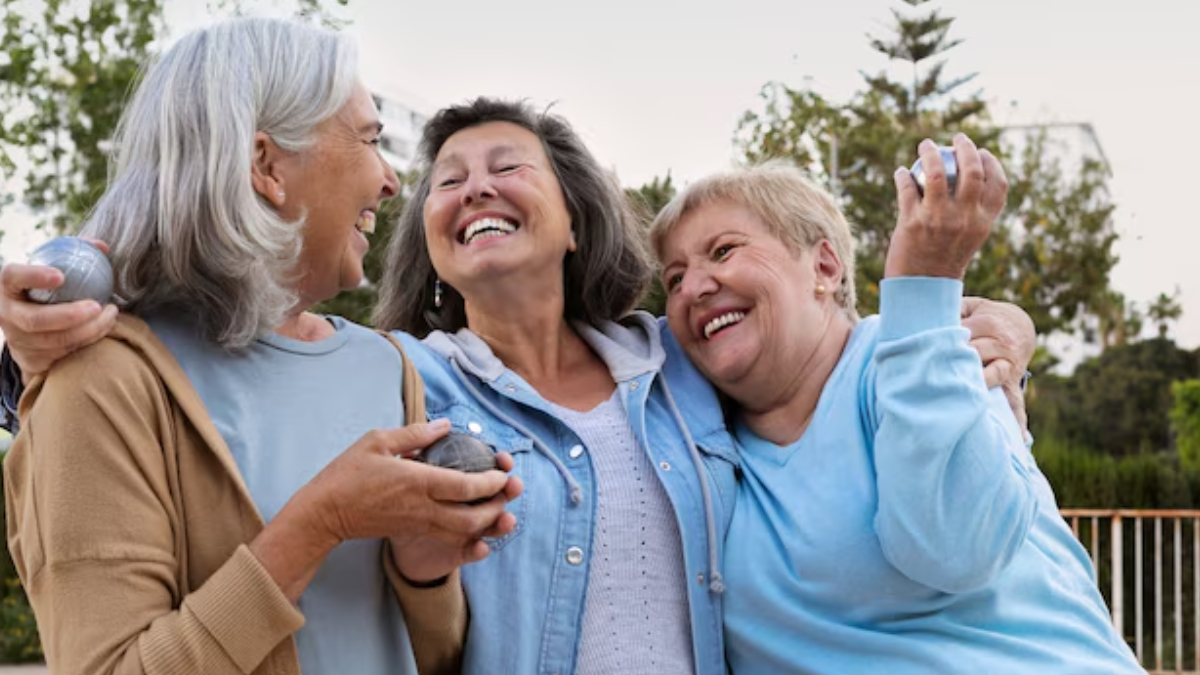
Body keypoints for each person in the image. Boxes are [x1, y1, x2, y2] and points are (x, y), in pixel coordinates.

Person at [0, 99, 1035, 674]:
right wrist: (33, 339)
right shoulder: (397, 378)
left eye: (507, 166)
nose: (474, 187)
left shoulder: (677, 358)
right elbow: (229, 346)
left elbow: (816, 345)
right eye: (447, 181)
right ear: (433, 243)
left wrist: (985, 328)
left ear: (574, 216)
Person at [0, 18, 520, 675]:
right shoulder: (99, 382)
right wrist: (319, 524)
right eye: (369, 139)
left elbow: (431, 657)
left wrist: (422, 572)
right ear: (266, 164)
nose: (392, 181)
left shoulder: (383, 366)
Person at [649, 141, 1143, 674]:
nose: (694, 288)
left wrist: (926, 283)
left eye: (724, 251)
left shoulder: (929, 348)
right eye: (673, 279)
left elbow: (957, 549)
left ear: (825, 265)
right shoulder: (693, 436)